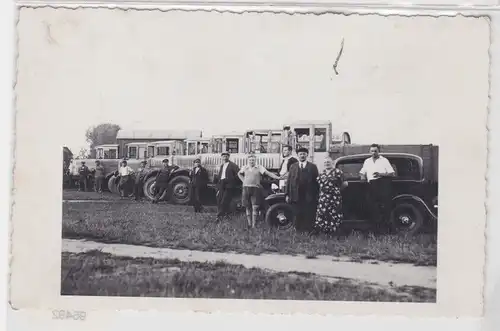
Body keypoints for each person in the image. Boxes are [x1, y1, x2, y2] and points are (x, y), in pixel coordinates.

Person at [238, 153, 281, 228]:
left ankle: (254, 225)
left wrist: (277, 177)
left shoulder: (259, 167)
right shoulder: (245, 167)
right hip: (246, 188)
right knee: (247, 206)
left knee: (255, 207)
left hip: (255, 188)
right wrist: (243, 181)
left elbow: (268, 173)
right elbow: (239, 174)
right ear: (248, 161)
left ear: (255, 160)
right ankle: (249, 224)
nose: (251, 162)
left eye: (253, 160)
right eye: (250, 160)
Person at [359, 144, 395, 231]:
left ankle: (385, 228)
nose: (373, 152)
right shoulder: (367, 161)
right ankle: (375, 228)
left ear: (379, 151)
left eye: (375, 151)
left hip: (382, 183)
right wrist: (362, 176)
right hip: (371, 184)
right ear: (369, 151)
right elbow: (362, 172)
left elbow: (392, 173)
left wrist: (380, 174)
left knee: (384, 207)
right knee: (372, 207)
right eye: (372, 151)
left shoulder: (384, 160)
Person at [285, 147, 319, 232]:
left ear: (307, 155)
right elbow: (289, 181)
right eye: (300, 154)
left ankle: (308, 230)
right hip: (296, 193)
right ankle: (297, 229)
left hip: (308, 194)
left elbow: (317, 182)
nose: (302, 156)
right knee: (297, 212)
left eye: (304, 154)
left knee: (308, 212)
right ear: (298, 155)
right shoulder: (293, 166)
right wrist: (287, 194)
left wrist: (316, 195)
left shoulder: (313, 167)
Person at [313, 157, 348, 235]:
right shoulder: (322, 173)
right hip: (323, 197)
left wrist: (336, 190)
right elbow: (318, 184)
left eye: (328, 162)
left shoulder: (338, 172)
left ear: (332, 163)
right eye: (325, 163)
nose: (327, 164)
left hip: (334, 197)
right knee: (323, 213)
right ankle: (324, 230)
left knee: (334, 213)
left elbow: (345, 184)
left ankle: (335, 231)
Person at [215, 152, 240, 222]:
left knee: (224, 201)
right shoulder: (222, 166)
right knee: (219, 200)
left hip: (229, 185)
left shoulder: (233, 165)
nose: (224, 157)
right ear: (221, 157)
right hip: (221, 184)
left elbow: (238, 174)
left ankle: (219, 217)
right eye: (223, 156)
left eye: (226, 156)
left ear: (228, 157)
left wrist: (231, 180)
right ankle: (226, 215)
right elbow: (220, 176)